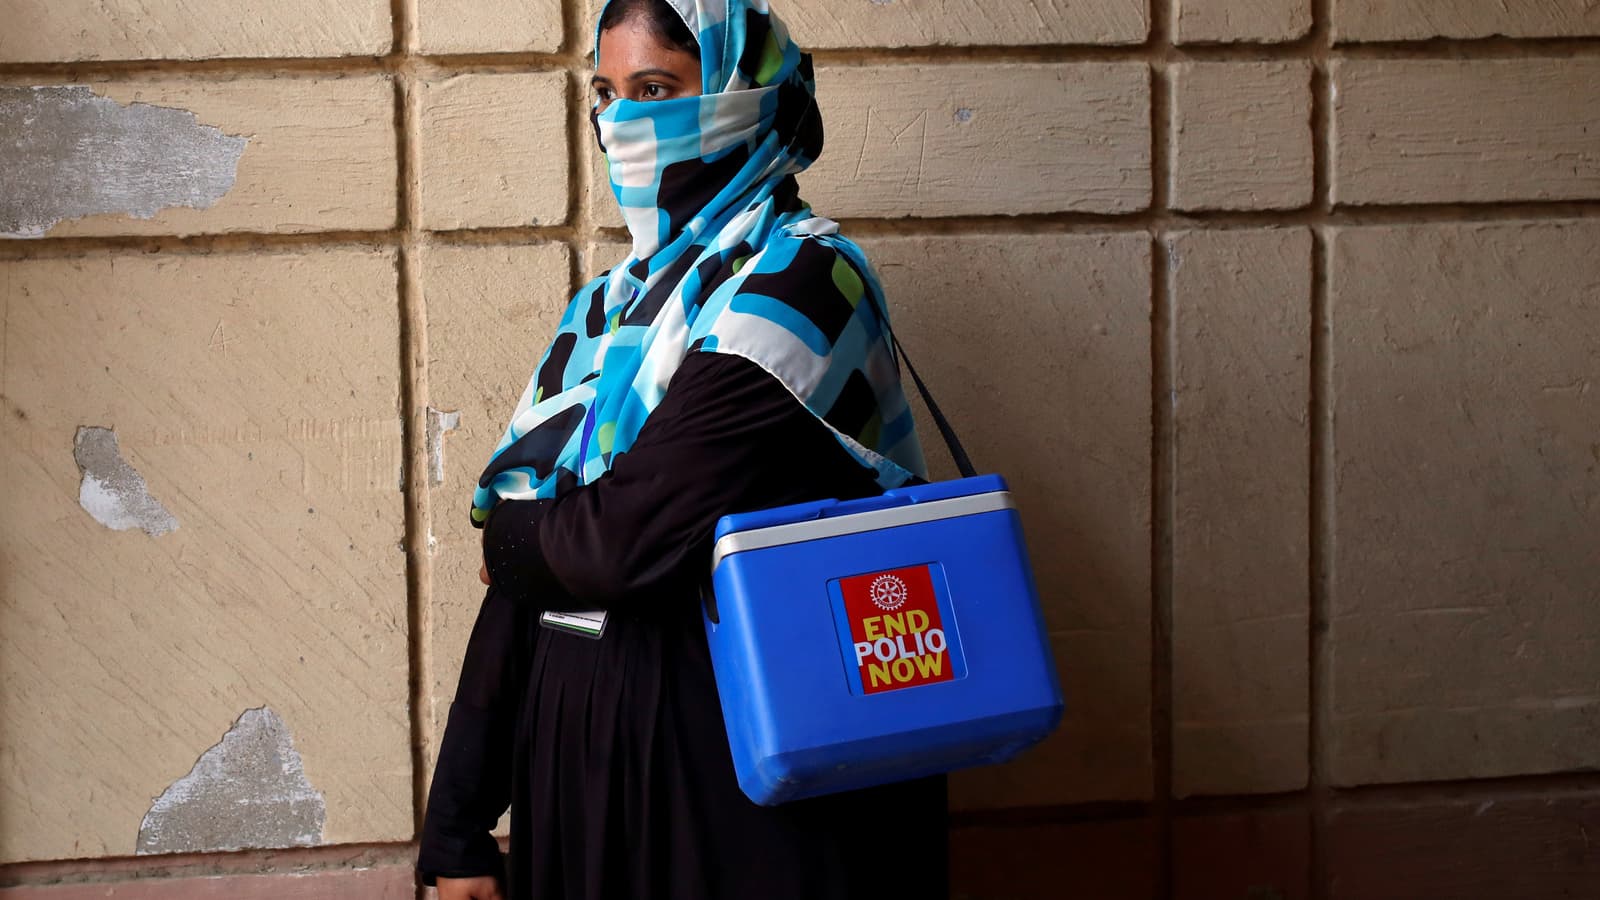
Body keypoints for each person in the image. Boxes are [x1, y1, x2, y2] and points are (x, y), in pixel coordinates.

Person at [417, 1, 948, 897]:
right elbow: (538, 582)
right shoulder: (609, 312)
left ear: (746, 95)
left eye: (658, 90)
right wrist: (459, 827)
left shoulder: (804, 283)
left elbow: (617, 544)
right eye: (607, 94)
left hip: (743, 791)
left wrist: (510, 536)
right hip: (583, 777)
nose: (623, 123)